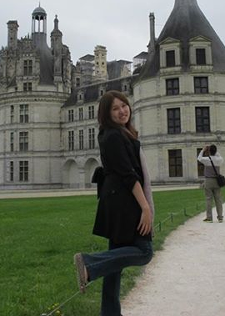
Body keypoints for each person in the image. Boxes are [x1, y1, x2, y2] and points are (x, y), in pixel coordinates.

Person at [73, 90, 154, 316]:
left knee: (114, 265)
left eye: (124, 105)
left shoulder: (117, 133)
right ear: (107, 114)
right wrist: (145, 207)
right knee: (145, 252)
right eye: (115, 108)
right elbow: (129, 175)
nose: (122, 111)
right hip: (125, 203)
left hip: (117, 201)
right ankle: (89, 264)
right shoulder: (114, 136)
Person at [197, 144, 224, 223]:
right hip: (217, 181)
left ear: (209, 151)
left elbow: (199, 158)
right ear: (216, 151)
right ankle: (220, 217)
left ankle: (209, 218)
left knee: (208, 199)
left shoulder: (206, 159)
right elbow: (220, 156)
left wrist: (203, 150)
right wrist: (215, 151)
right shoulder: (219, 159)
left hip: (208, 180)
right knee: (218, 199)